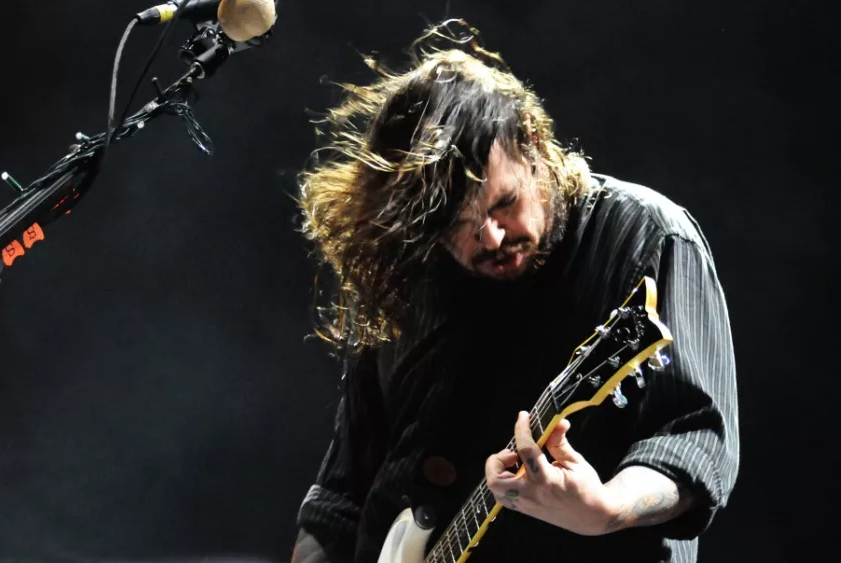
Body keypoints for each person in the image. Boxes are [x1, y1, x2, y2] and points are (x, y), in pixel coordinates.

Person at [290, 21, 739, 563]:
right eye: (455, 224)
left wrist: (608, 508)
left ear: (532, 144)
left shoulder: (646, 236)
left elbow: (694, 436)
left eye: (504, 203)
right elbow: (341, 492)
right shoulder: (415, 269)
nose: (490, 238)